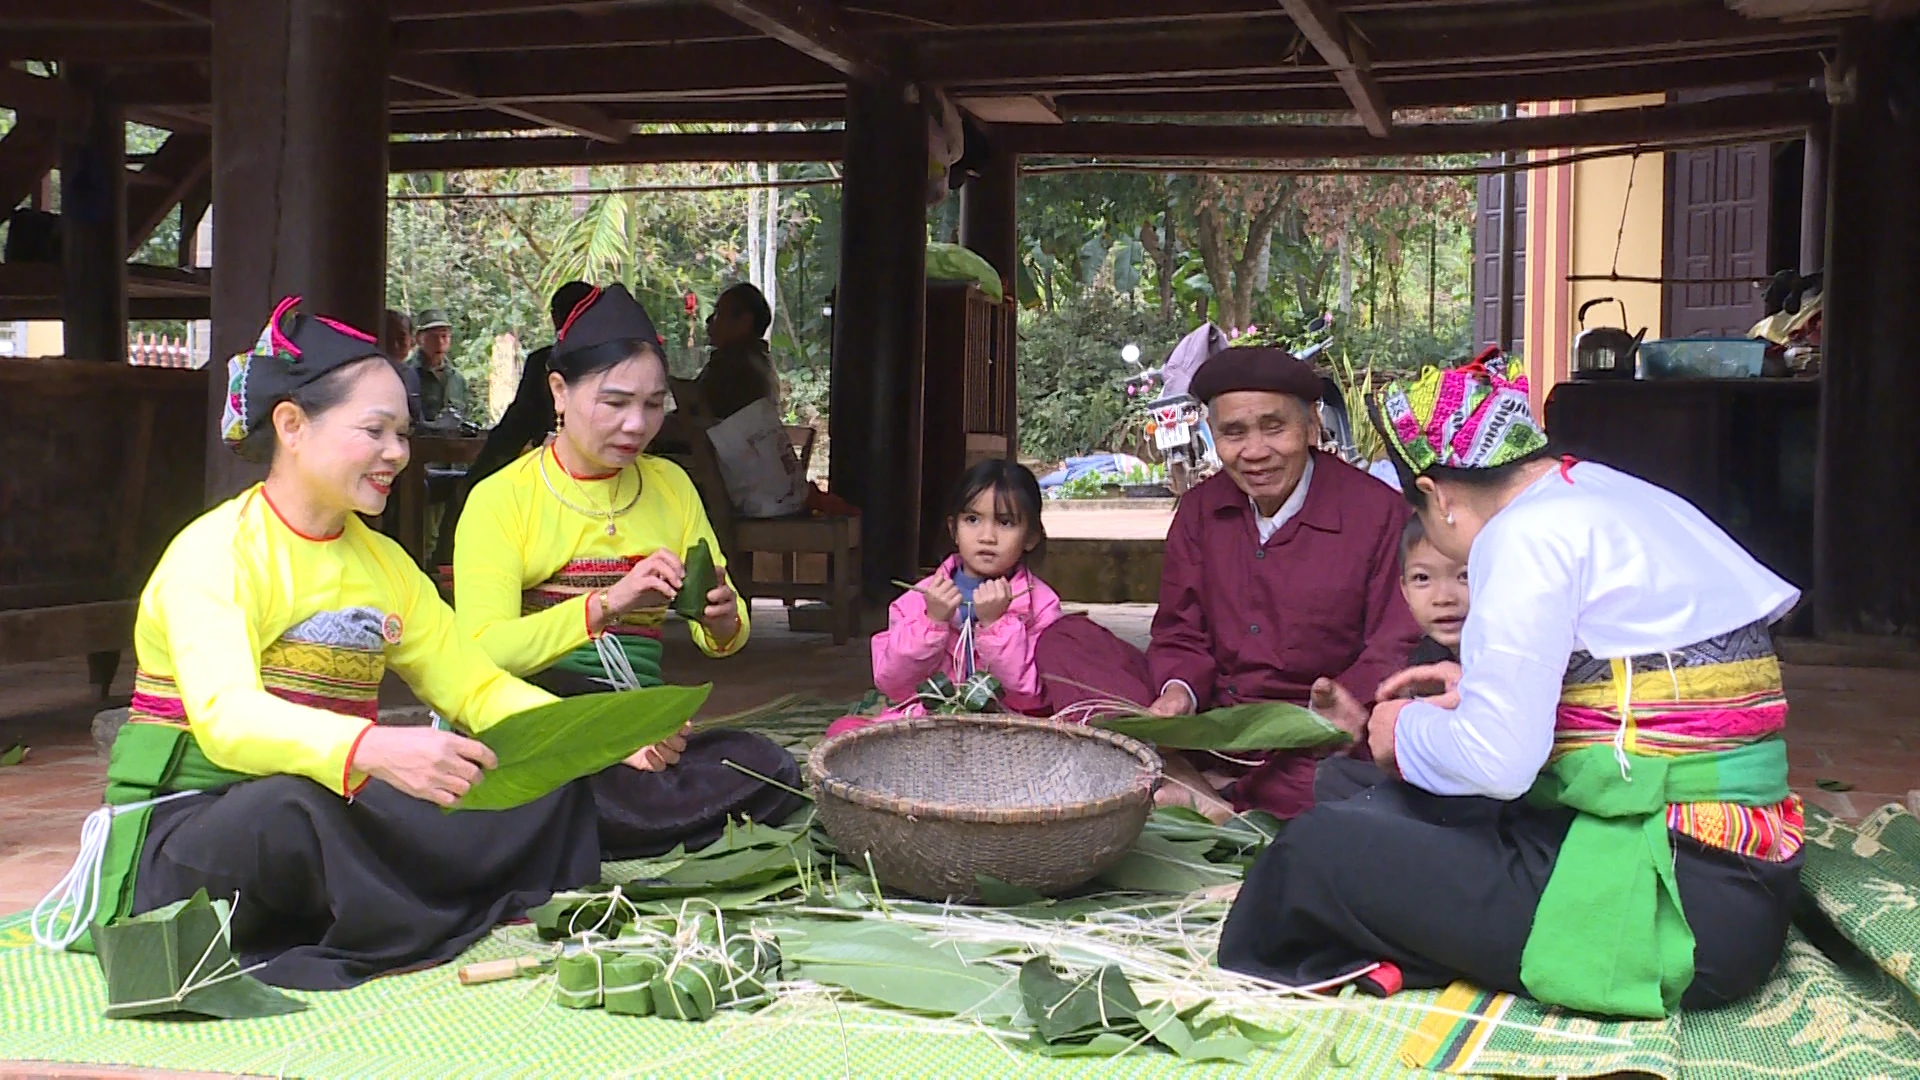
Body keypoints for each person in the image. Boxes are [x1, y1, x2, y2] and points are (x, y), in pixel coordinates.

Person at [51, 297, 632, 990]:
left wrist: (595, 734)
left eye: (404, 434)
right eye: (376, 431)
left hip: (339, 807)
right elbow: (229, 720)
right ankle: (407, 902)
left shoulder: (385, 567)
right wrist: (374, 750)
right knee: (295, 812)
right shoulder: (214, 555)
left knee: (541, 785)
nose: (398, 454)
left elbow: (472, 685)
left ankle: (393, 904)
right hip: (193, 835)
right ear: (292, 426)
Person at [1219, 354, 1803, 1019]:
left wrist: (1401, 730)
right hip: (1730, 875)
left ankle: (1391, 951)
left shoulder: (1519, 535)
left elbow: (1500, 765)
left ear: (1436, 495)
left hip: (1675, 902)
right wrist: (1474, 692)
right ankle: (1414, 943)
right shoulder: (1601, 490)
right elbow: (1630, 692)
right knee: (1356, 793)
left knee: (1314, 853)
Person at [453, 283, 801, 858]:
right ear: (559, 392)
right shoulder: (501, 501)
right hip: (545, 726)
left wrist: (719, 617)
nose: (637, 425)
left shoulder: (670, 486)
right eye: (615, 403)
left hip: (645, 731)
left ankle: (604, 825)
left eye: (653, 404)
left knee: (766, 767)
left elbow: (725, 634)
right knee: (550, 785)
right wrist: (605, 605)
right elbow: (484, 651)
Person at [1144, 339, 1421, 821]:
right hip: (1213, 726)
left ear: (1311, 424)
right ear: (1212, 435)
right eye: (1233, 432)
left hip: (1310, 735)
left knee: (1356, 782)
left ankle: (1202, 794)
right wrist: (1176, 693)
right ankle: (1211, 787)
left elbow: (1395, 641)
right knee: (1074, 650)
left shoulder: (1378, 513)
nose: (1254, 451)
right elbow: (1178, 630)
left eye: (1274, 428)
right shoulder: (1200, 511)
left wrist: (1344, 702)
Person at [827, 460, 1064, 739]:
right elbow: (893, 684)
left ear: (1031, 537)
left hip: (1005, 730)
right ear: (954, 529)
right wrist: (932, 622)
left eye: (1005, 522)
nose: (987, 537)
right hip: (928, 726)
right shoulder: (920, 596)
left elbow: (1031, 696)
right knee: (843, 733)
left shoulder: (1041, 604)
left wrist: (996, 626)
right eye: (972, 520)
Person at [428, 282, 593, 568]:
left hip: (560, 466)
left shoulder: (547, 361)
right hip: (565, 462)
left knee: (471, 495)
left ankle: (446, 567)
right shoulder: (554, 361)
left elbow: (515, 427)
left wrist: (479, 475)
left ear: (557, 318)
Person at [698, 282, 781, 422]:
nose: (709, 320)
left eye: (718, 313)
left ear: (745, 322)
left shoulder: (732, 365)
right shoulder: (758, 361)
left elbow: (695, 415)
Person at [1400, 516, 1467, 666]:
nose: (1443, 598)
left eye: (1465, 576)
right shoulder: (1423, 660)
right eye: (1422, 578)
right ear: (1405, 591)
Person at [408, 309, 468, 422]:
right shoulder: (406, 374)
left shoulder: (457, 378)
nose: (440, 343)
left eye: (444, 336)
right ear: (419, 339)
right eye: (433, 337)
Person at [381, 308, 425, 423]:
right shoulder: (365, 373)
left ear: (412, 341)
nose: (394, 345)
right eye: (387, 338)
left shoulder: (411, 375)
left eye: (401, 338)